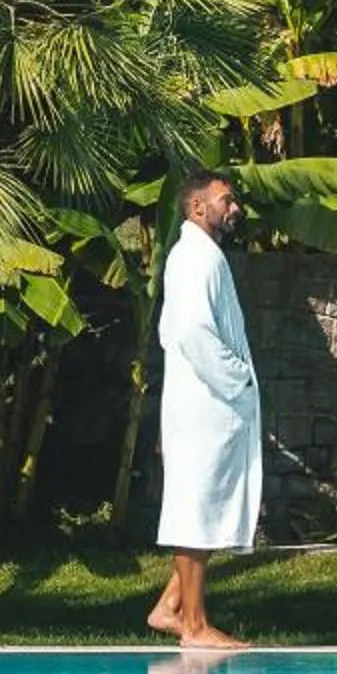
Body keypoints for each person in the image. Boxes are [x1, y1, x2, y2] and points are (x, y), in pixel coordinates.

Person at [149, 169, 260, 648]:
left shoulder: (201, 255)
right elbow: (192, 332)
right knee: (195, 511)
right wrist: (237, 379)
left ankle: (170, 606)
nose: (233, 208)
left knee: (210, 507)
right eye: (225, 200)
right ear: (198, 208)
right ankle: (194, 627)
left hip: (213, 407)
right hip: (205, 406)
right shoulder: (193, 258)